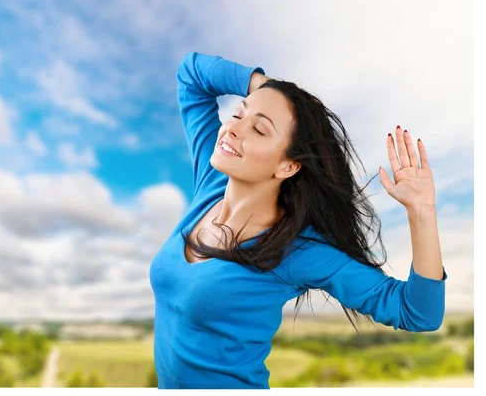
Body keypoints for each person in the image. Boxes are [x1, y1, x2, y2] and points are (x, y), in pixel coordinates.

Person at [148, 52, 447, 389]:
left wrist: (422, 211)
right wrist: (268, 88)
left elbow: (419, 313)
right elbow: (191, 74)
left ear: (287, 166)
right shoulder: (211, 183)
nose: (232, 129)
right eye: (238, 113)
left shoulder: (299, 250)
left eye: (259, 129)